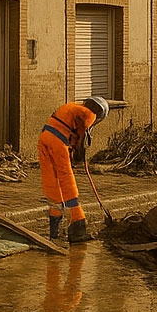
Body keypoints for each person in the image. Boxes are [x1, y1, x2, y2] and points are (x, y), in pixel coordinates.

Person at [38, 95, 109, 242]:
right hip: (58, 143)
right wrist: (78, 152)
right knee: (67, 180)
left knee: (52, 184)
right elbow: (80, 137)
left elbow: (67, 128)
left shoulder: (70, 107)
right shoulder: (89, 114)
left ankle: (54, 234)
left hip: (44, 139)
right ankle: (78, 225)